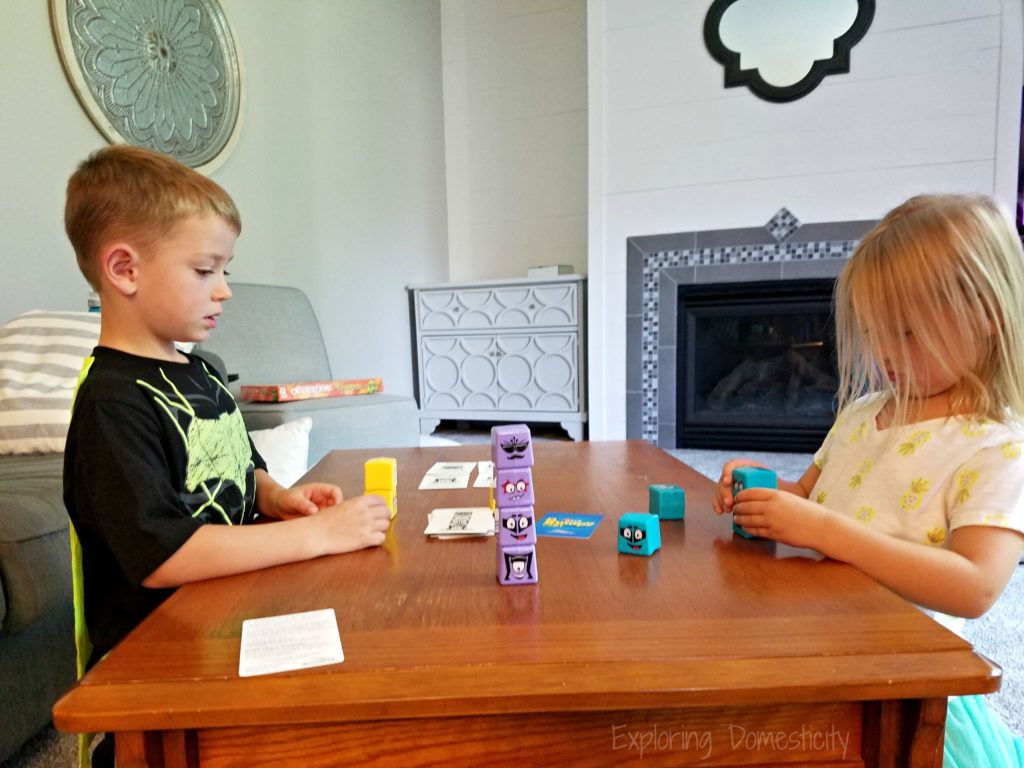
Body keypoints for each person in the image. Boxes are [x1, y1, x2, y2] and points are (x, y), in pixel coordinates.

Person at [62, 145, 390, 765]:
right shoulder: (111, 403)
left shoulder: (202, 371)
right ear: (125, 270)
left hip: (229, 612)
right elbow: (163, 554)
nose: (225, 291)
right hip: (157, 663)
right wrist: (319, 535)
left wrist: (275, 496)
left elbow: (236, 464)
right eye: (206, 269)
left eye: (225, 269)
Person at [713, 194, 1024, 766]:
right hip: (815, 646)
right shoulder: (863, 414)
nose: (884, 354)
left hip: (900, 685)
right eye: (876, 332)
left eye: (906, 333)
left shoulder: (997, 446)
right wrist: (762, 489)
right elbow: (810, 495)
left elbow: (975, 586)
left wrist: (825, 531)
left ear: (987, 313)